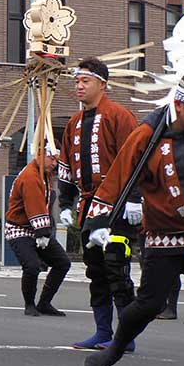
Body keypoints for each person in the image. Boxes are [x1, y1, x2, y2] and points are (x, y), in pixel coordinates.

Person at [84, 73, 184, 366]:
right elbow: (120, 175)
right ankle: (116, 348)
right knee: (149, 305)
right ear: (179, 104)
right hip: (165, 237)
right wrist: (99, 220)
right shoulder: (147, 134)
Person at [57, 58, 141, 350]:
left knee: (117, 268)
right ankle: (103, 332)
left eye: (85, 81)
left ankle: (125, 337)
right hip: (88, 205)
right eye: (77, 82)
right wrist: (66, 203)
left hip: (117, 205)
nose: (79, 87)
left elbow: (136, 160)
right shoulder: (73, 123)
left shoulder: (119, 116)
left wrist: (134, 199)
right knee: (95, 271)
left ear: (102, 85)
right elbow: (66, 166)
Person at [5, 151, 71, 316]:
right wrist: (43, 232)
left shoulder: (45, 174)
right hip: (18, 228)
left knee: (62, 262)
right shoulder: (31, 176)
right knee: (32, 266)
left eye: (57, 160)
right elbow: (35, 205)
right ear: (40, 154)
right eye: (52, 159)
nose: (54, 164)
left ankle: (44, 303)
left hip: (37, 228)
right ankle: (29, 304)